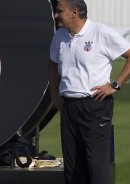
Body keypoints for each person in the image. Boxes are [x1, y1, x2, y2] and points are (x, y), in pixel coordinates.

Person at [48, 0, 130, 184]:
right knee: (73, 169)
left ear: (74, 12)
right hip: (68, 107)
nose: (56, 15)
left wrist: (115, 85)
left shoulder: (101, 32)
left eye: (59, 11)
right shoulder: (59, 35)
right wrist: (54, 92)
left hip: (95, 105)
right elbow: (52, 64)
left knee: (97, 168)